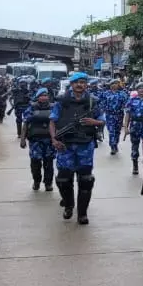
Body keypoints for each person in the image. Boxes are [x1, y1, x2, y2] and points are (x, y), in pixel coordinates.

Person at [50, 72, 105, 225]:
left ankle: (82, 213)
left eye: (83, 82)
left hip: (85, 145)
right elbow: (53, 121)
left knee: (86, 180)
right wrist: (54, 139)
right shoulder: (62, 101)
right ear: (71, 84)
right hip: (65, 145)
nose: (80, 85)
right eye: (76, 82)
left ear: (86, 84)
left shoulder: (93, 102)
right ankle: (68, 205)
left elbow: (102, 121)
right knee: (63, 178)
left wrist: (93, 122)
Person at [20, 88, 56, 191]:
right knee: (35, 163)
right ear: (38, 97)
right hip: (35, 141)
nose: (44, 97)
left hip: (50, 140)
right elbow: (25, 123)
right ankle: (36, 181)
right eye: (42, 95)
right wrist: (22, 139)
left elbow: (59, 122)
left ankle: (48, 183)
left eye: (46, 95)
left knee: (48, 163)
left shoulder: (54, 107)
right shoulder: (32, 107)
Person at [123, 83, 143, 176]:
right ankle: (135, 166)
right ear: (137, 90)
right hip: (135, 126)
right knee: (135, 147)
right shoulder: (132, 100)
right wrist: (126, 127)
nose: (142, 90)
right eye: (140, 88)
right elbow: (128, 115)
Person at [102, 78, 129, 155]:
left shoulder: (122, 94)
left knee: (117, 132)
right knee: (111, 131)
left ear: (118, 85)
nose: (114, 85)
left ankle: (115, 144)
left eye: (116, 84)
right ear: (110, 85)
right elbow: (101, 103)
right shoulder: (106, 93)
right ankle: (112, 146)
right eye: (112, 84)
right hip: (109, 115)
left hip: (119, 115)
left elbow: (127, 104)